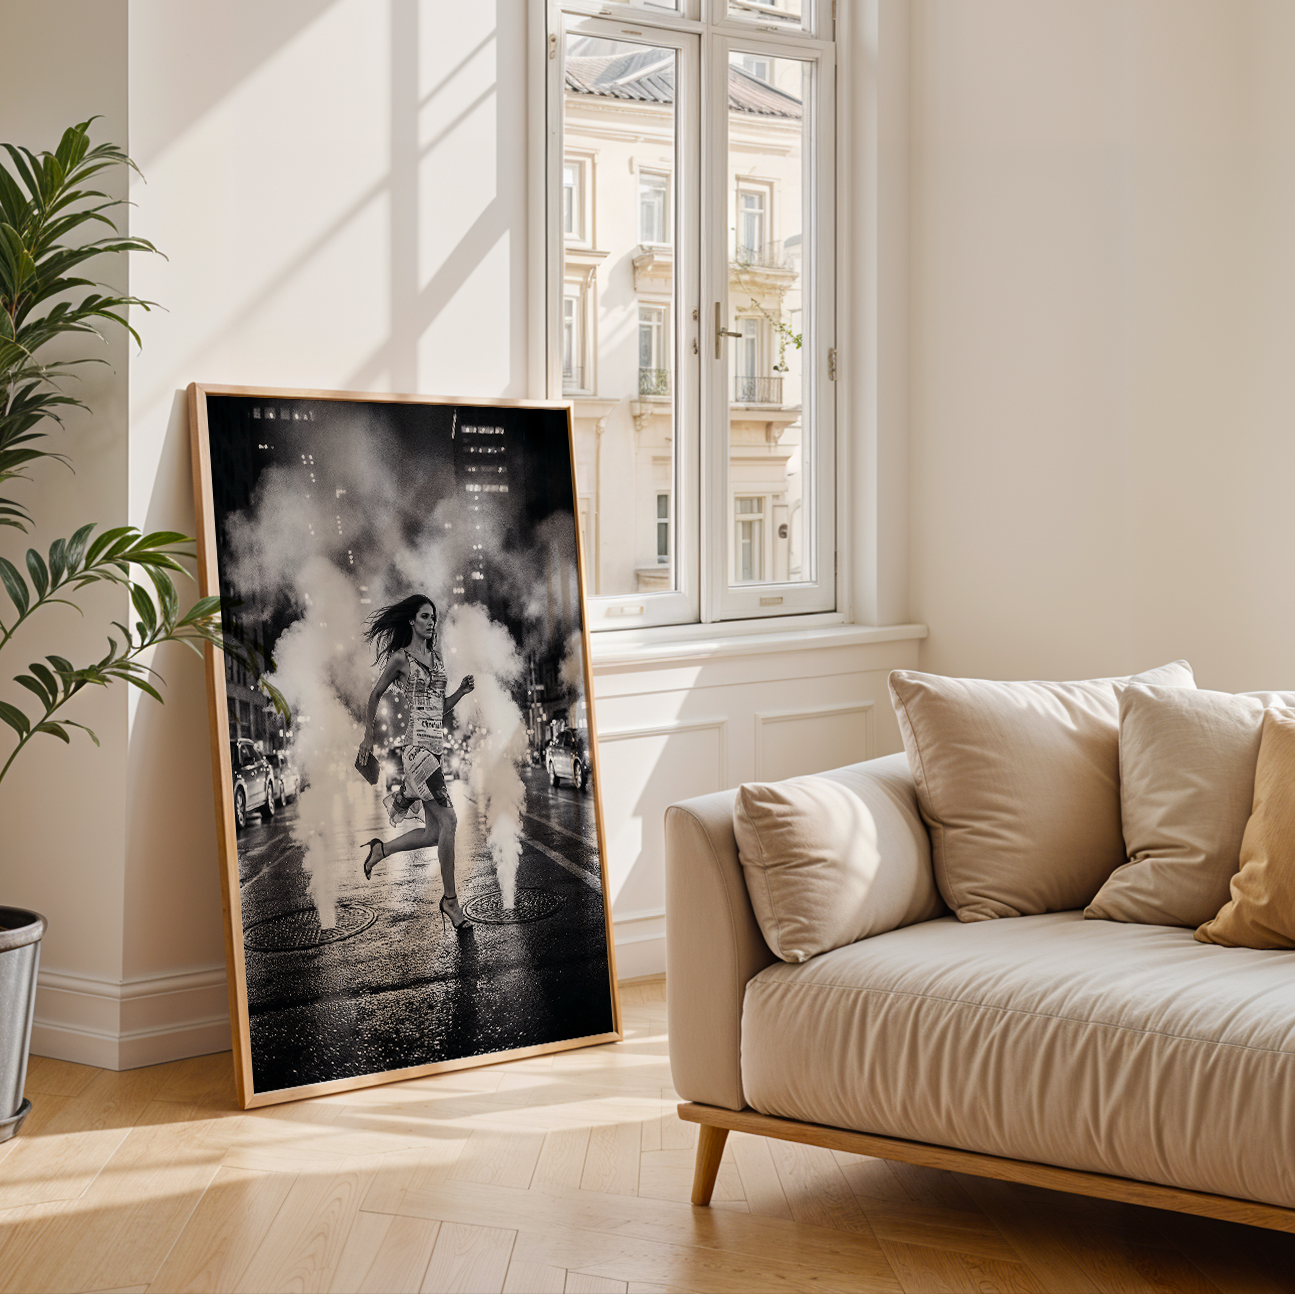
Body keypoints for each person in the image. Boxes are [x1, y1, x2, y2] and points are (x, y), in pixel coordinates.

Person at [356, 595, 475, 930]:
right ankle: (450, 901)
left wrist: (461, 692)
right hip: (417, 751)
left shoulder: (436, 659)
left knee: (435, 832)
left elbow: (439, 708)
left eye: (433, 617)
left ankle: (381, 849)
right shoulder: (401, 658)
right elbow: (375, 694)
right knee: (450, 821)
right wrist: (368, 736)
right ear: (411, 620)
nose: (431, 622)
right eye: (424, 616)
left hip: (434, 751)